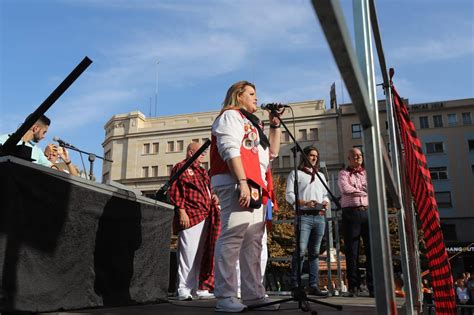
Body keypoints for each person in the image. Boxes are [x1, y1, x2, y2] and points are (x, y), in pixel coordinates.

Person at [210, 80, 282, 312]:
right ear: (238, 96)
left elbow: (271, 154)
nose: (256, 97)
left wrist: (275, 126)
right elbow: (229, 148)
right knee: (233, 235)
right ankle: (225, 295)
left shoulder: (253, 124)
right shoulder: (230, 116)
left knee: (253, 241)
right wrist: (241, 181)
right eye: (251, 93)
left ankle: (253, 294)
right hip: (236, 180)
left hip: (254, 184)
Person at [169, 142, 220, 301]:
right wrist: (181, 211)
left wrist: (214, 197)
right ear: (191, 153)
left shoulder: (203, 172)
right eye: (201, 152)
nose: (204, 154)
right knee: (188, 253)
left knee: (202, 253)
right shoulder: (181, 167)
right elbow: (175, 190)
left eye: (204, 152)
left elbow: (208, 190)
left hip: (206, 215)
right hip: (191, 215)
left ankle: (200, 287)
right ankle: (183, 288)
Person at [286, 145, 329, 297]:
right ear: (304, 156)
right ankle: (295, 284)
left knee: (315, 252)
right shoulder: (296, 174)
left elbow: (325, 194)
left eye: (316, 156)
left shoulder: (321, 176)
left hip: (319, 216)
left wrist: (325, 201)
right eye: (311, 155)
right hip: (303, 216)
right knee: (300, 250)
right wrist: (304, 202)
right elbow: (289, 195)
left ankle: (313, 284)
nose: (314, 158)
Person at [338, 148, 374, 297]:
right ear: (349, 158)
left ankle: (373, 287)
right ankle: (353, 286)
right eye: (355, 155)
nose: (358, 157)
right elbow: (345, 189)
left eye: (360, 155)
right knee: (352, 251)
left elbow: (372, 188)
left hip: (367, 212)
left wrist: (358, 190)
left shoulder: (367, 173)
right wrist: (363, 190)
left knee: (371, 250)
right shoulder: (343, 173)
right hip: (351, 213)